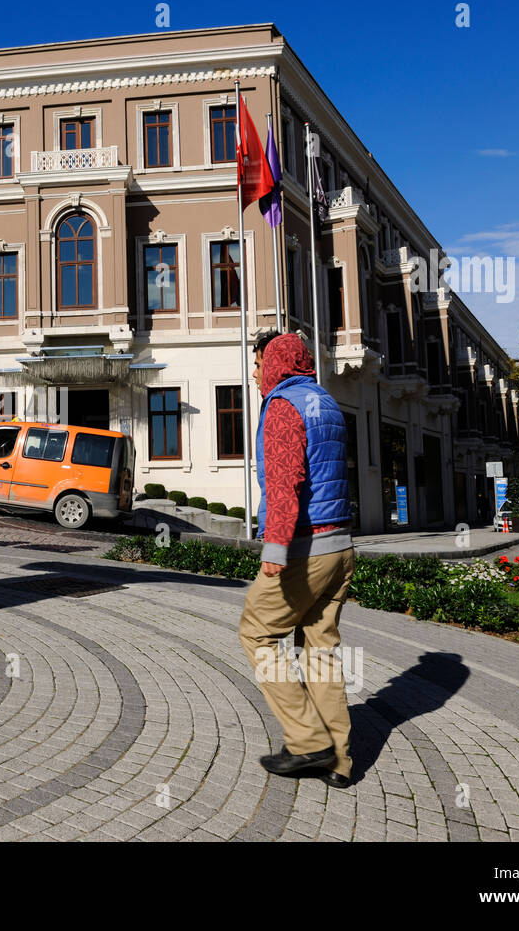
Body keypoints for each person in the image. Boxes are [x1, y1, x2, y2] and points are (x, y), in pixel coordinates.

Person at [238, 331, 356, 788]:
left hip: (306, 548)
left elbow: (287, 481)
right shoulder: (324, 401)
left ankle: (307, 742)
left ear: (276, 364)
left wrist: (274, 548)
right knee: (320, 650)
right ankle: (339, 762)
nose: (254, 372)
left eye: (258, 362)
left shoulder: (283, 406)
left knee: (257, 633)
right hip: (341, 545)